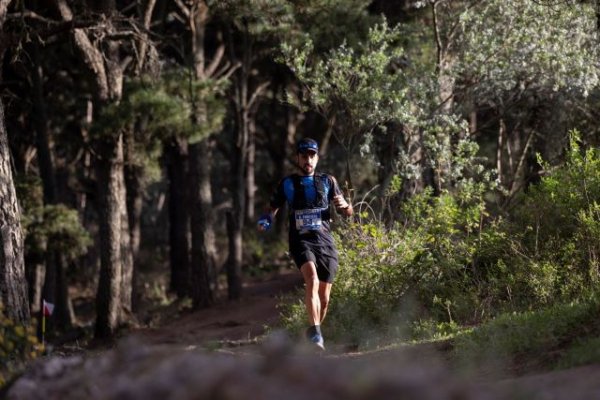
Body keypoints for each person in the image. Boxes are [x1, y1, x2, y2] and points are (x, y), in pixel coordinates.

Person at [257, 137, 353, 350]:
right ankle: (316, 335)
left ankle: (313, 330)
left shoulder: (328, 181)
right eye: (304, 156)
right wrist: (265, 220)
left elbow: (347, 212)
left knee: (325, 298)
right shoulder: (287, 183)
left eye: (312, 155)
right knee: (312, 279)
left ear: (317, 158)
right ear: (297, 158)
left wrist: (346, 205)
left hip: (325, 241)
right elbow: (271, 208)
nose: (308, 159)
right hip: (300, 239)